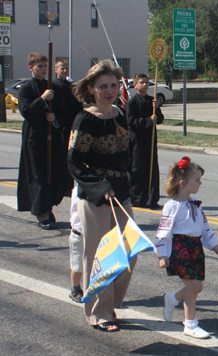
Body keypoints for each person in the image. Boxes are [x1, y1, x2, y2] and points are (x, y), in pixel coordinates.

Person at [68, 60, 136, 332]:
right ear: (91, 89)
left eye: (114, 85)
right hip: (95, 195)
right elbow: (74, 162)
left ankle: (112, 303)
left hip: (121, 192)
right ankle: (100, 311)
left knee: (130, 250)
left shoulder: (119, 113)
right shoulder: (86, 119)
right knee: (99, 254)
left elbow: (125, 153)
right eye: (103, 86)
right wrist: (100, 185)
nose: (110, 90)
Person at [156, 157, 218, 339]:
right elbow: (163, 232)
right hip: (180, 249)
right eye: (197, 180)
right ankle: (190, 324)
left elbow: (204, 227)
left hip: (195, 248)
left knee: (197, 287)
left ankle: (173, 298)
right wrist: (162, 254)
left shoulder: (195, 204)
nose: (200, 183)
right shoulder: (172, 206)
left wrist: (213, 245)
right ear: (182, 183)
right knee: (193, 287)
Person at [17, 53, 68, 230]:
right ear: (31, 68)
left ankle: (48, 206)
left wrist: (56, 118)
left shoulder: (55, 88)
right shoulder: (25, 88)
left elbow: (64, 112)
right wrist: (42, 100)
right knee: (39, 174)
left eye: (45, 66)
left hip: (52, 137)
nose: (43, 69)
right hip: (35, 136)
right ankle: (41, 212)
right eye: (39, 66)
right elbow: (26, 111)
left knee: (53, 173)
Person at [126, 73, 164, 209]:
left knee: (152, 169)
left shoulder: (152, 101)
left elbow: (159, 119)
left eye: (147, 83)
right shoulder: (132, 103)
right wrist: (148, 121)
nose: (145, 85)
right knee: (138, 169)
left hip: (150, 140)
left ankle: (151, 199)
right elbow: (130, 122)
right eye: (141, 82)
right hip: (137, 141)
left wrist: (157, 107)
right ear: (135, 85)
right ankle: (137, 198)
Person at [53, 59, 84, 195]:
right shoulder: (54, 85)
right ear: (56, 70)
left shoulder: (72, 86)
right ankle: (59, 185)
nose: (64, 71)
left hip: (72, 124)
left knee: (71, 155)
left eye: (66, 68)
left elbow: (78, 104)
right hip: (60, 126)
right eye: (62, 69)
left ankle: (69, 185)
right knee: (60, 156)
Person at [69, 185, 83, 303]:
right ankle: (75, 289)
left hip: (95, 234)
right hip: (79, 233)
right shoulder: (79, 189)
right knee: (78, 266)